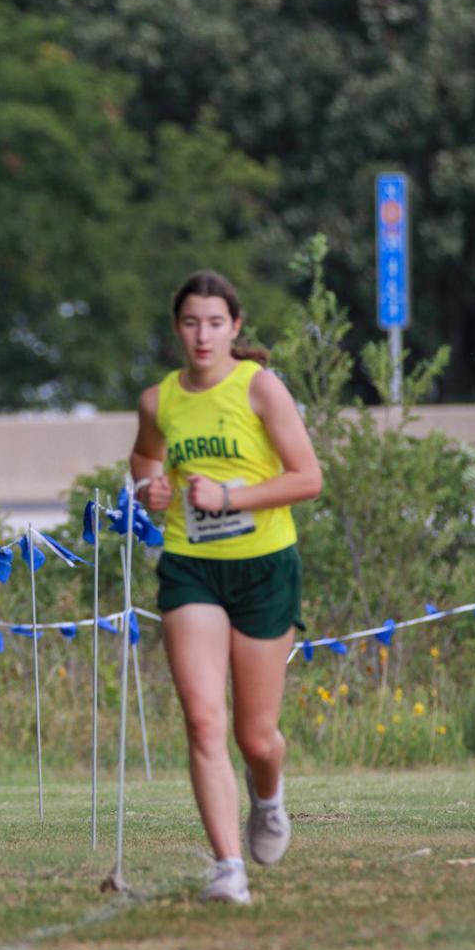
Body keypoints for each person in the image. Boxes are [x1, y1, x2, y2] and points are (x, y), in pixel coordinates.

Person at [131, 271, 322, 903]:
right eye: (191, 323)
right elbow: (144, 462)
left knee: (254, 736)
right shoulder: (160, 400)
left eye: (215, 323)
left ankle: (268, 796)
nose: (203, 335)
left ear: (235, 327)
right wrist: (149, 490)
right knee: (203, 718)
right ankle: (228, 869)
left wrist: (230, 496)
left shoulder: (260, 388)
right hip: (191, 567)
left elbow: (307, 478)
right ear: (177, 328)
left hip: (265, 566)